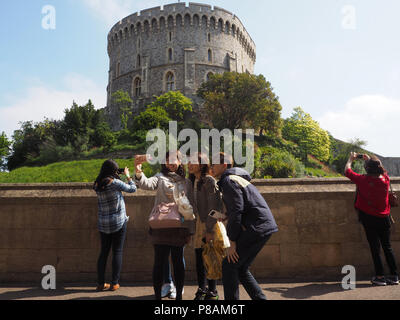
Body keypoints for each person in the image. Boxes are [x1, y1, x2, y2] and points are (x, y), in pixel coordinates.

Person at [211, 152, 278, 300]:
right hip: (262, 226)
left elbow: (237, 210)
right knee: (240, 268)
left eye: (214, 164)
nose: (211, 167)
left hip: (256, 227)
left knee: (229, 265)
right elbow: (240, 207)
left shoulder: (228, 180)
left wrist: (232, 241)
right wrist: (227, 216)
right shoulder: (236, 179)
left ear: (224, 165)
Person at [134, 152, 196, 300]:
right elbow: (146, 184)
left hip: (179, 227)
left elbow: (191, 207)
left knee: (178, 260)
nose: (171, 163)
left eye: (174, 160)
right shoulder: (159, 177)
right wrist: (138, 169)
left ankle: (179, 292)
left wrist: (190, 230)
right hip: (161, 225)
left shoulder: (186, 182)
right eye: (167, 160)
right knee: (159, 261)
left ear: (180, 161)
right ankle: (159, 293)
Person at [345, 152, 399, 286]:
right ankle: (394, 276)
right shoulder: (386, 179)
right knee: (387, 247)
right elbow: (381, 169)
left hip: (369, 218)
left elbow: (347, 171)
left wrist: (350, 159)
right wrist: (370, 160)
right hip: (384, 217)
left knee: (375, 248)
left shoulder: (363, 180)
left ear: (367, 169)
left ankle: (380, 277)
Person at [93, 160, 137, 292]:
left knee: (104, 252)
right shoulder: (115, 183)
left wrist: (116, 174)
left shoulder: (96, 184)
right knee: (117, 251)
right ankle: (114, 283)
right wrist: (128, 176)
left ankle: (100, 283)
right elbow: (132, 189)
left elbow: (105, 181)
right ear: (113, 171)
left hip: (103, 223)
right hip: (118, 221)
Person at [188, 152, 224, 300]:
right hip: (198, 224)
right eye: (188, 162)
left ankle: (213, 291)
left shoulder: (209, 181)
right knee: (199, 258)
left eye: (193, 162)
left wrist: (209, 229)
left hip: (208, 224)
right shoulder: (192, 181)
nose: (189, 164)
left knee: (210, 257)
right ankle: (202, 289)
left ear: (202, 164)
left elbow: (215, 207)